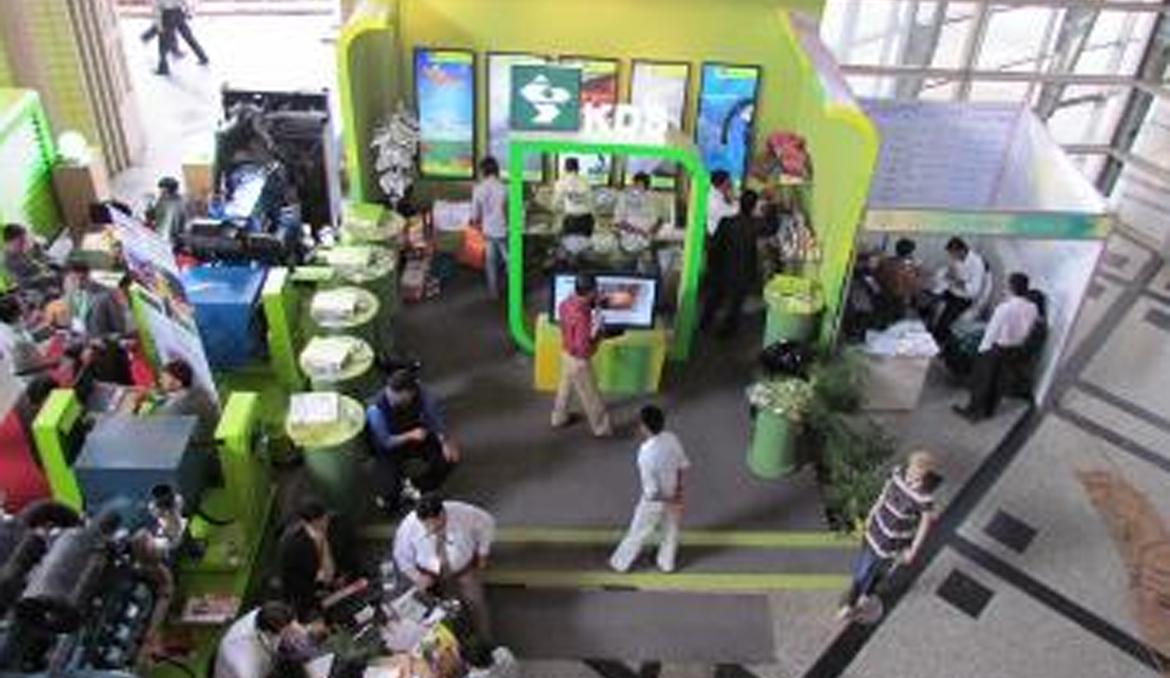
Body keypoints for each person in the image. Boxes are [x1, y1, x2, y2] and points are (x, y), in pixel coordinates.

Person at [838, 451, 939, 622]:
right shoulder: (897, 473)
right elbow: (883, 495)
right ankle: (850, 604)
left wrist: (913, 549)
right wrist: (870, 515)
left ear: (924, 474)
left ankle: (866, 595)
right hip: (876, 531)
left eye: (917, 472)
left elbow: (924, 524)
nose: (912, 473)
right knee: (863, 570)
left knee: (881, 571)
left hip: (895, 542)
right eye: (912, 468)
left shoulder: (924, 497)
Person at [392, 496, 495, 640]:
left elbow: (488, 522)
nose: (431, 529)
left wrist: (483, 553)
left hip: (465, 568)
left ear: (442, 513)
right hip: (432, 575)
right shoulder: (409, 526)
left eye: (436, 525)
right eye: (426, 526)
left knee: (476, 603)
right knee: (446, 610)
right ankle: (459, 641)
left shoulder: (463, 512)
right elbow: (401, 555)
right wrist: (417, 577)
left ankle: (486, 640)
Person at [366, 369, 461, 514]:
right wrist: (410, 435)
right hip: (391, 446)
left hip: (416, 433)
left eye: (403, 398)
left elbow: (434, 417)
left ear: (411, 393)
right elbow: (385, 442)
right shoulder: (375, 410)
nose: (393, 400)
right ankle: (392, 502)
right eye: (392, 397)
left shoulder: (420, 392)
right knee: (390, 493)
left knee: (448, 459)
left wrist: (445, 442)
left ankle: (416, 487)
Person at [609, 405, 691, 573]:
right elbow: (682, 465)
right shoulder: (672, 438)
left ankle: (620, 563)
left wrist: (669, 499)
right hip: (673, 490)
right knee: (671, 529)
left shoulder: (646, 453)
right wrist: (678, 493)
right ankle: (666, 563)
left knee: (638, 531)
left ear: (645, 427)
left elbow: (652, 492)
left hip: (655, 501)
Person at [953, 272, 1039, 422]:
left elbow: (992, 331)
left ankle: (973, 411)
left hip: (996, 348)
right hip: (1015, 349)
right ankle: (989, 410)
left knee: (982, 380)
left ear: (1011, 287)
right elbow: (1029, 329)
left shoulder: (1005, 308)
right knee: (1000, 381)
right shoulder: (1033, 308)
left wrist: (982, 349)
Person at [277, 499, 362, 623]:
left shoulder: (340, 523)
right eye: (317, 523)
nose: (323, 525)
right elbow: (292, 580)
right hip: (312, 594)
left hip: (342, 583)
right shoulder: (292, 545)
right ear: (305, 523)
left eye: (325, 520)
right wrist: (315, 593)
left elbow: (351, 551)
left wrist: (345, 574)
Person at [550, 273, 612, 437]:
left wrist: (595, 303)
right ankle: (601, 428)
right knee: (591, 396)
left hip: (566, 352)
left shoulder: (565, 303)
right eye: (595, 290)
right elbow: (584, 349)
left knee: (565, 387)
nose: (597, 292)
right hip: (579, 361)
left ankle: (559, 417)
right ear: (590, 291)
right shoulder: (582, 317)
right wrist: (599, 333)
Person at [701, 189, 764, 338]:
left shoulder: (726, 222)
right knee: (735, 304)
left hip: (723, 268)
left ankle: (704, 323)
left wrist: (712, 265)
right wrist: (772, 207)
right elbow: (771, 227)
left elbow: (714, 245)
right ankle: (725, 332)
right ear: (754, 206)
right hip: (743, 271)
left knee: (716, 297)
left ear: (739, 203)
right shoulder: (755, 224)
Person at [214, 601, 325, 678]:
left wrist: (306, 631)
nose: (294, 637)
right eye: (289, 633)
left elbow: (294, 628)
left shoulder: (267, 614)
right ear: (270, 634)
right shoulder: (245, 668)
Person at [147, 358, 221, 446]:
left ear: (178, 383)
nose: (160, 381)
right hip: (211, 437)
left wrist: (138, 404)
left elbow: (156, 423)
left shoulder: (177, 405)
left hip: (199, 446)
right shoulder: (198, 390)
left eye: (164, 379)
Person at [928, 237, 986, 344]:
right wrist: (944, 274)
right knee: (928, 300)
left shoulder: (977, 264)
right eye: (951, 254)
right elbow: (948, 271)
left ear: (962, 251)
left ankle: (938, 343)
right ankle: (928, 330)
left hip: (963, 298)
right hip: (951, 291)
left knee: (944, 322)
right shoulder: (957, 258)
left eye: (953, 254)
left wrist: (955, 280)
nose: (951, 257)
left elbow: (974, 289)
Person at [470, 157, 508, 299]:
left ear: (483, 170)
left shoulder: (478, 188)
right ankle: (514, 288)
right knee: (509, 260)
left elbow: (475, 215)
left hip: (488, 230)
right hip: (503, 230)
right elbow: (510, 211)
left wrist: (475, 222)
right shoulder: (504, 187)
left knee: (490, 261)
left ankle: (493, 292)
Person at [614, 172, 661, 272]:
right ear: (633, 183)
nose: (639, 188)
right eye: (637, 185)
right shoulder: (624, 196)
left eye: (642, 186)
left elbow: (658, 218)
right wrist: (638, 231)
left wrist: (652, 231)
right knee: (628, 267)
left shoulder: (652, 197)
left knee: (647, 268)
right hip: (628, 242)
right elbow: (618, 222)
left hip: (646, 241)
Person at [2, 223, 60, 304]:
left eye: (23, 240)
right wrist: (43, 276)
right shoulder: (7, 261)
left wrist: (36, 248)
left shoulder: (25, 247)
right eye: (20, 242)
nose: (22, 244)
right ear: (9, 242)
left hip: (50, 279)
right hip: (36, 291)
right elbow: (23, 282)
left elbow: (44, 259)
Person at [873, 238, 922, 325]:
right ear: (909, 253)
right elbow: (913, 286)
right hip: (899, 301)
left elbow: (876, 276)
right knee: (898, 320)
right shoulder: (910, 267)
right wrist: (917, 269)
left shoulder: (886, 262)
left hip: (884, 296)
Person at [154, 0, 209, 76]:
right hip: (178, 13)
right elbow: (184, 2)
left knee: (163, 41)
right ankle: (203, 57)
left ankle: (163, 68)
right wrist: (189, 13)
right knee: (189, 37)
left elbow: (157, 8)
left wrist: (159, 25)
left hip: (167, 15)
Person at [554, 157, 594, 240]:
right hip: (587, 220)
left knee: (569, 244)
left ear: (565, 169)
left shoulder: (561, 182)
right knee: (585, 244)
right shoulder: (586, 182)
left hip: (572, 221)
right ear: (578, 169)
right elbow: (591, 202)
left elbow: (555, 204)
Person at [147, 177, 190, 247]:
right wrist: (150, 206)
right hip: (161, 237)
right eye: (161, 190)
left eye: (163, 190)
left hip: (170, 240)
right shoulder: (162, 200)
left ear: (169, 190)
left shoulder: (178, 203)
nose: (161, 192)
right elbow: (153, 216)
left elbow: (174, 224)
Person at [705, 169, 738, 237]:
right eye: (728, 183)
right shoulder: (713, 199)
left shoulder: (718, 195)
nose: (730, 185)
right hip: (716, 236)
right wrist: (733, 199)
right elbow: (730, 213)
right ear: (722, 184)